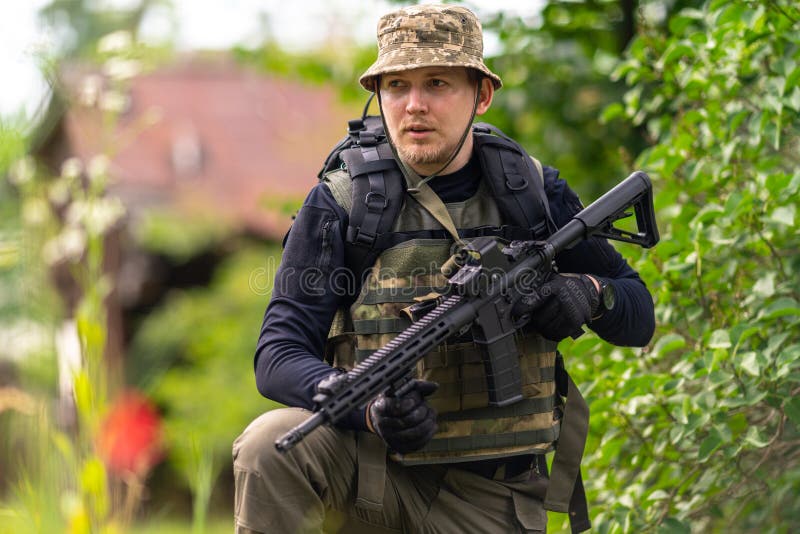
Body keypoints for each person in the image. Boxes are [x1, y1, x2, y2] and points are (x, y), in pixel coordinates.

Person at [233, 4, 655, 533]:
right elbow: (277, 356)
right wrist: (366, 405)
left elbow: (638, 312)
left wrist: (588, 292)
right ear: (379, 95)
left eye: (437, 83)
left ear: (481, 94)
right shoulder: (343, 202)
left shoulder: (530, 193)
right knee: (267, 447)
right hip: (371, 478)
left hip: (494, 495)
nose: (414, 105)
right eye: (396, 86)